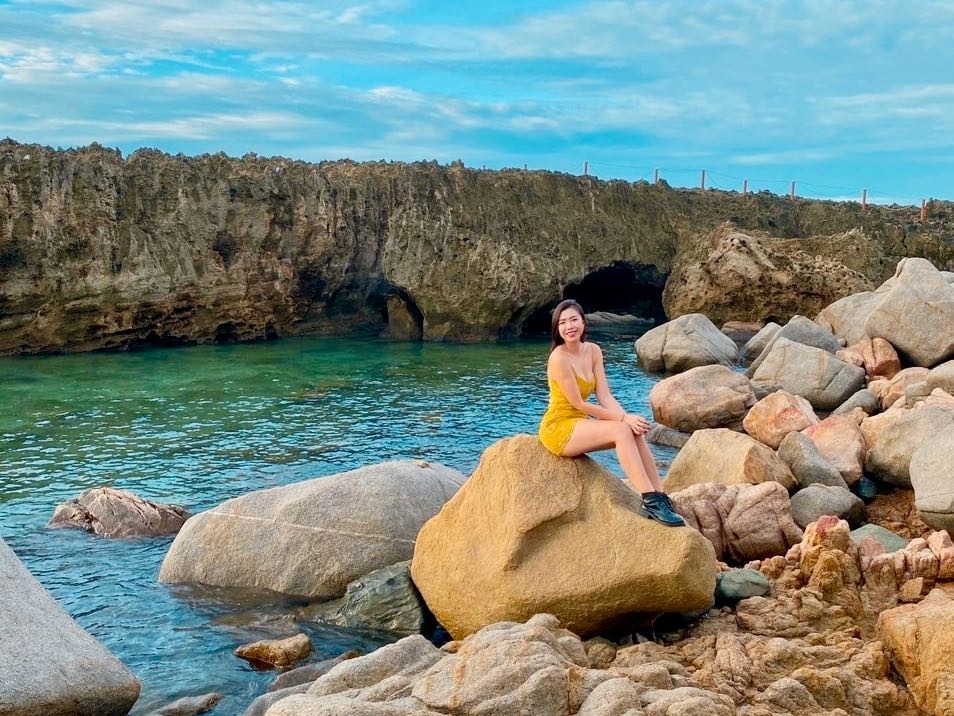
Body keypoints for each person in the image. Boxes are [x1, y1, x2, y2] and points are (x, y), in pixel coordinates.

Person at [538, 299, 684, 526]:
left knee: (634, 431)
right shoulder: (559, 358)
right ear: (557, 329)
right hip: (558, 427)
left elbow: (604, 396)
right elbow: (579, 404)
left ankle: (660, 495)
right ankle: (650, 501)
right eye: (563, 323)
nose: (569, 326)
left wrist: (629, 419)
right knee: (621, 431)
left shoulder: (594, 351)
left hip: (579, 422)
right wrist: (623, 419)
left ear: (583, 322)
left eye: (574, 320)